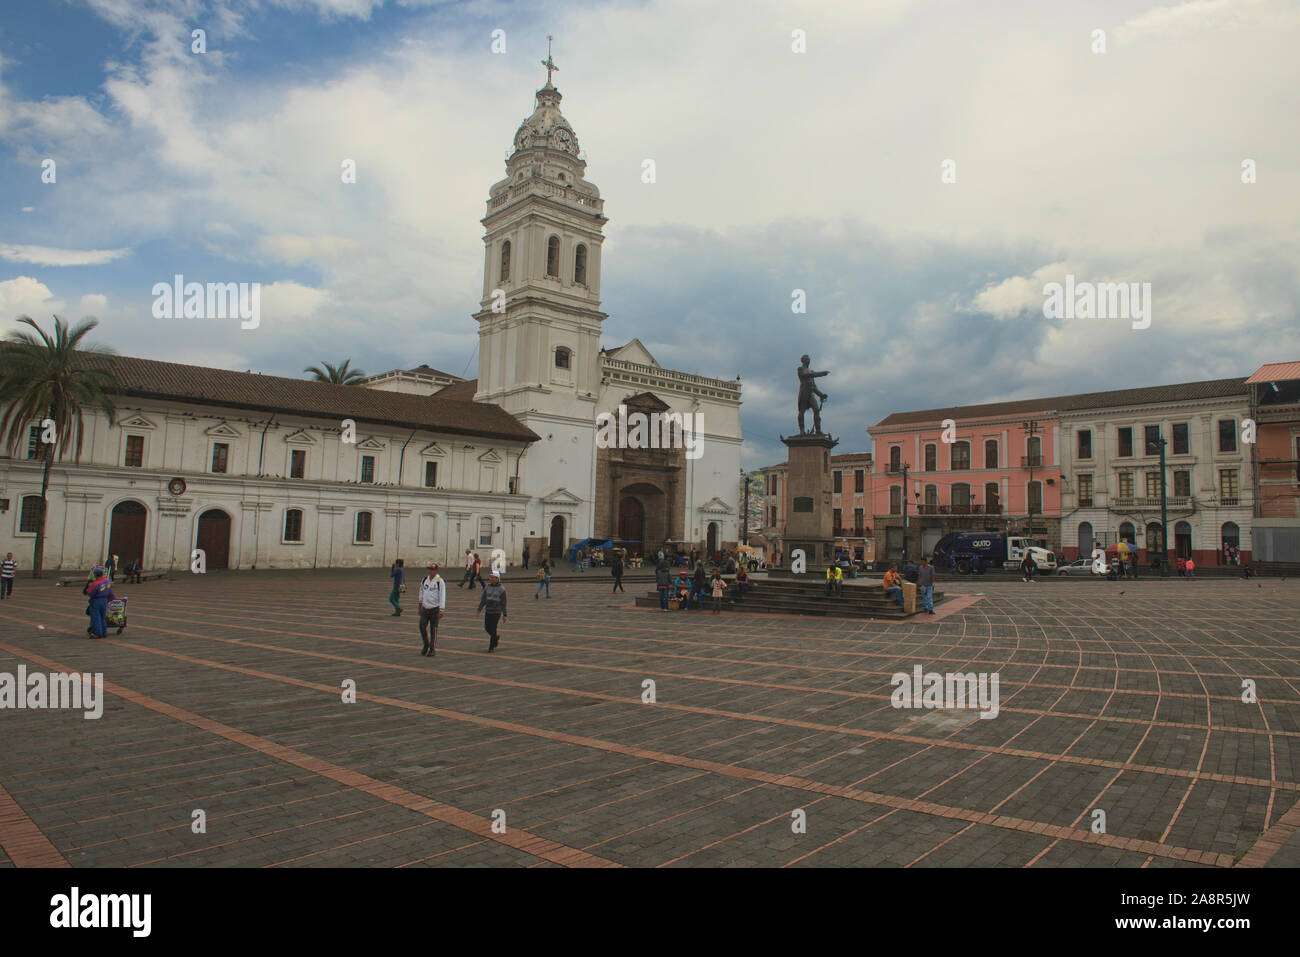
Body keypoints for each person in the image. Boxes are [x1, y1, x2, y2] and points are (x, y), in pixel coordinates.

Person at [418, 563, 445, 656]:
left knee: (433, 629)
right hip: (425, 608)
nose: (430, 571)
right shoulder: (425, 580)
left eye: (432, 570)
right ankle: (426, 644)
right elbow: (421, 592)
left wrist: (441, 609)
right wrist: (420, 605)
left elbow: (442, 596)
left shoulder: (439, 581)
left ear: (436, 571)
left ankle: (432, 648)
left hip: (434, 608)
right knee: (422, 626)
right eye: (429, 569)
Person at [477, 570, 508, 652]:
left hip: (496, 612)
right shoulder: (487, 587)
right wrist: (479, 609)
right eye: (490, 577)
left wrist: (505, 614)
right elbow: (483, 599)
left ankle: (491, 647)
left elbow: (503, 603)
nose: (491, 578)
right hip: (488, 611)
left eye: (493, 577)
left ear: (497, 578)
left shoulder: (502, 589)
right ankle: (495, 637)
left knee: (493, 628)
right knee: (487, 627)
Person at [84, 566, 116, 638]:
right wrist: (113, 599)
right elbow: (110, 592)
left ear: (95, 575)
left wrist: (88, 588)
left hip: (96, 600)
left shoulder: (96, 583)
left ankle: (98, 633)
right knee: (103, 617)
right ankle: (104, 632)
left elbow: (90, 592)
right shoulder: (107, 581)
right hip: (104, 600)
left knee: (96, 617)